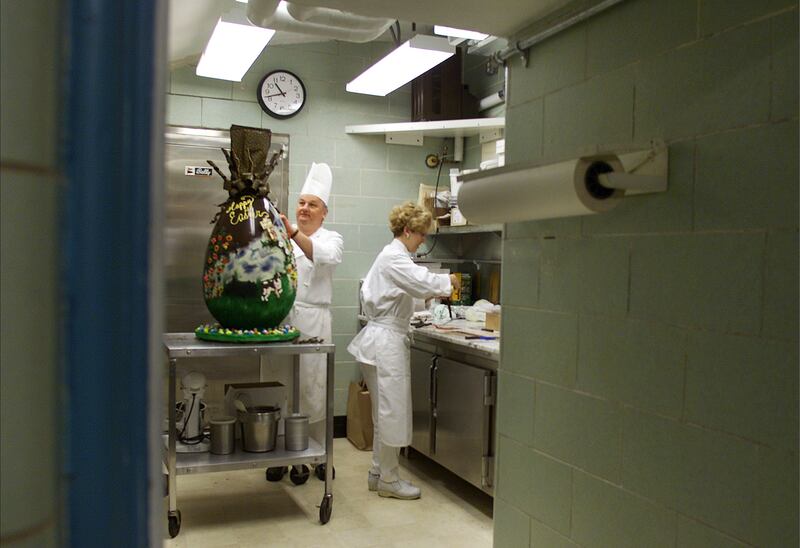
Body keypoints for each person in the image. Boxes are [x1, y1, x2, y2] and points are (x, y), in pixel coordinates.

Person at [347, 201, 459, 500]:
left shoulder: (393, 257)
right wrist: (449, 281)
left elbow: (405, 294)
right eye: (421, 234)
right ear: (408, 231)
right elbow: (421, 282)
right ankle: (389, 480)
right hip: (385, 344)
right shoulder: (394, 258)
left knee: (384, 414)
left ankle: (377, 473)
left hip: (382, 340)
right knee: (391, 413)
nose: (424, 240)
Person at [274, 162, 343, 478]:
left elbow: (324, 256)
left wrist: (294, 234)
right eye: (301, 203)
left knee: (313, 391)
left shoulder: (332, 239)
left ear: (323, 212)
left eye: (312, 204)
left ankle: (314, 456)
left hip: (314, 322)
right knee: (282, 387)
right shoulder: (282, 238)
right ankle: (279, 455)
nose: (304, 209)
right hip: (283, 323)